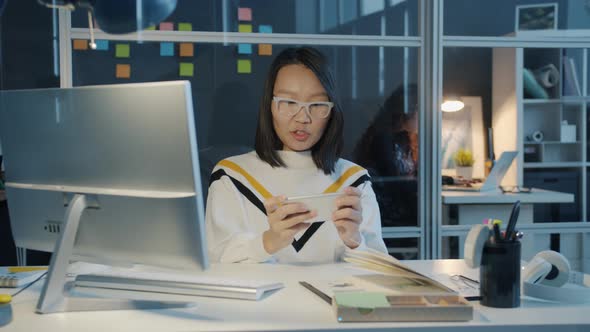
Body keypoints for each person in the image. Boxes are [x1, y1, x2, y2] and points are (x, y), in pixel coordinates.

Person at [205, 47, 387, 263]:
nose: (302, 118)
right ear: (269, 106)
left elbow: (379, 273)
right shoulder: (230, 176)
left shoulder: (354, 181)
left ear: (331, 112)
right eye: (289, 102)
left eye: (317, 104)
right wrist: (268, 242)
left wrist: (355, 242)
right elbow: (215, 263)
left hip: (331, 297)